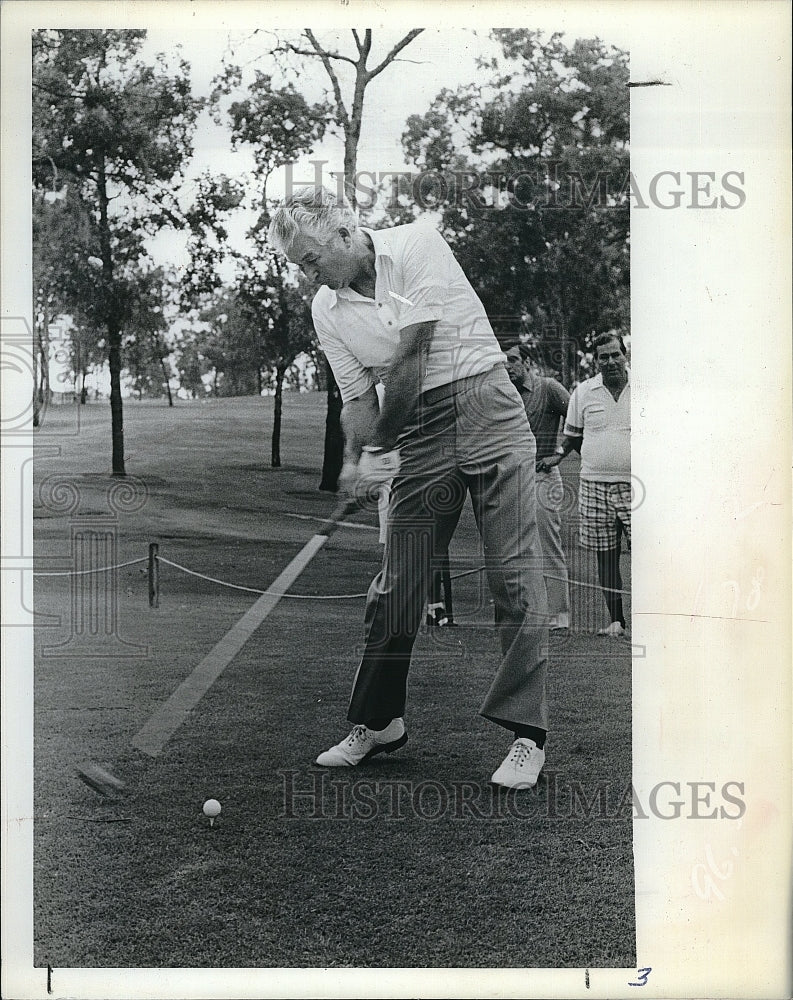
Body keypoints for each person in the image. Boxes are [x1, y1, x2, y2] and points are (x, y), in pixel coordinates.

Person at [268, 185, 550, 789]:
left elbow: (412, 356)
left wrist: (378, 449)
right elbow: (356, 397)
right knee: (398, 583)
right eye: (300, 267)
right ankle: (379, 723)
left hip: (488, 406)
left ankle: (528, 737)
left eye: (313, 259)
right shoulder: (327, 307)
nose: (309, 275)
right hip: (416, 428)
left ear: (344, 233)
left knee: (512, 572)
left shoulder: (419, 243)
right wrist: (353, 458)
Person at [539, 332, 631, 637]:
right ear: (596, 361)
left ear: (624, 353)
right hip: (594, 485)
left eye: (615, 354)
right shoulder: (584, 391)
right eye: (603, 357)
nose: (610, 361)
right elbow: (573, 435)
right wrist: (559, 454)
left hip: (639, 486)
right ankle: (616, 621)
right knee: (605, 555)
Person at [504, 345, 571, 631]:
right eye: (503, 361)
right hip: (511, 479)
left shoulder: (548, 388)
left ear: (527, 362)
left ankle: (559, 614)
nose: (507, 366)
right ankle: (528, 612)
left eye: (513, 360)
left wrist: (559, 452)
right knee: (515, 548)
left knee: (547, 546)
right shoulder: (503, 394)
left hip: (543, 476)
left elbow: (577, 419)